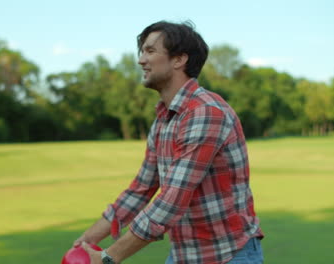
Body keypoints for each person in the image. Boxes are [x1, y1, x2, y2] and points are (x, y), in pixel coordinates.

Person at [75, 20, 264, 264]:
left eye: (151, 51)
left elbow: (171, 201)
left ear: (179, 60)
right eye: (142, 51)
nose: (141, 60)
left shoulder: (205, 113)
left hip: (228, 256)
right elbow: (140, 190)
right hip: (183, 256)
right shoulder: (163, 120)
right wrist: (85, 241)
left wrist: (108, 258)